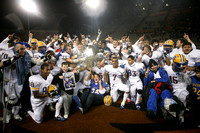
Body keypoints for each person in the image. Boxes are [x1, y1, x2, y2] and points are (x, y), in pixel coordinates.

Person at [0, 41, 32, 123]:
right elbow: (1, 64)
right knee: (11, 99)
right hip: (9, 79)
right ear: (16, 49)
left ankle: (16, 114)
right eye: (21, 49)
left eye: (24, 49)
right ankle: (8, 115)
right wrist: (13, 59)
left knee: (18, 97)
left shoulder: (25, 55)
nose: (23, 51)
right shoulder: (7, 52)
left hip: (19, 79)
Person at [162, 54, 191, 123]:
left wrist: (185, 75)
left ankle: (181, 115)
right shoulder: (167, 69)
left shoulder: (185, 71)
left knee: (183, 98)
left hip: (181, 89)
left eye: (183, 65)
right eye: (179, 65)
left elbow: (189, 83)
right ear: (173, 63)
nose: (181, 67)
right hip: (171, 88)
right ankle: (171, 116)